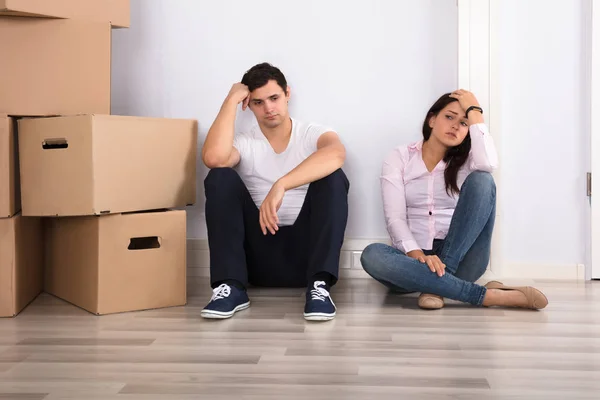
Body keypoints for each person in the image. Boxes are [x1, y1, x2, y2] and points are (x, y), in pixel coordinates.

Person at [360, 90, 548, 310]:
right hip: (412, 260)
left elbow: (488, 165)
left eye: (464, 123)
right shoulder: (399, 157)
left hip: (461, 260)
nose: (456, 126)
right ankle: (487, 295)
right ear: (432, 119)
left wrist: (475, 113)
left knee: (483, 181)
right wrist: (418, 255)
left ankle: (438, 281)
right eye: (449, 117)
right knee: (372, 255)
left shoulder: (470, 161)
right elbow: (395, 218)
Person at [200, 62, 349, 321]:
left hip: (305, 257)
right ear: (248, 105)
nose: (268, 108)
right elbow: (213, 157)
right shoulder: (245, 141)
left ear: (287, 94)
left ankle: (320, 285)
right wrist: (230, 100)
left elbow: (336, 154)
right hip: (255, 259)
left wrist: (281, 185)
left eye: (274, 98)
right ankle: (231, 287)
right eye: (258, 102)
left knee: (333, 177)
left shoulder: (312, 133)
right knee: (219, 176)